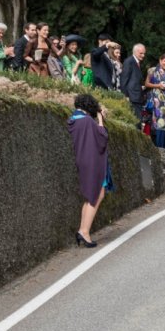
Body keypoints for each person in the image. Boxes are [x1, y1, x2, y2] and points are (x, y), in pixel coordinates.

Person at [68, 94, 111, 248]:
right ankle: (84, 231)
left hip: (82, 159)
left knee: (89, 196)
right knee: (97, 194)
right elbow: (102, 137)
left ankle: (82, 229)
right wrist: (100, 120)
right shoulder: (87, 121)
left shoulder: (74, 119)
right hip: (92, 161)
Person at [145, 53, 165, 149]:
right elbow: (146, 83)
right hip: (158, 101)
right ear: (160, 60)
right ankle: (159, 150)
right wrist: (157, 85)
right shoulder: (153, 70)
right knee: (160, 124)